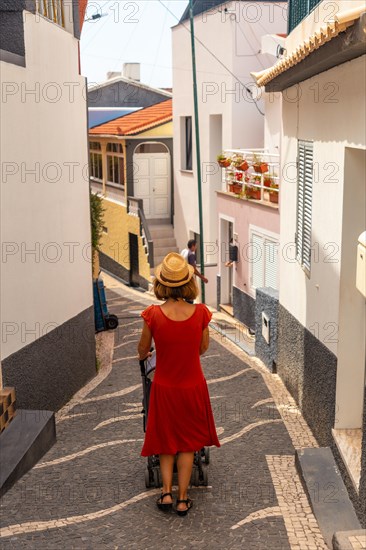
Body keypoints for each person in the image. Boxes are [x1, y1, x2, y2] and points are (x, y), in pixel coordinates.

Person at [137, 252, 221, 516]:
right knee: (187, 444)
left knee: (166, 441)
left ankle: (165, 494)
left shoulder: (152, 314)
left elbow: (141, 351)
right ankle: (183, 499)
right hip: (192, 386)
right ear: (188, 283)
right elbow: (202, 349)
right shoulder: (200, 313)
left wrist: (151, 353)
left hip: (164, 387)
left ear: (162, 284)